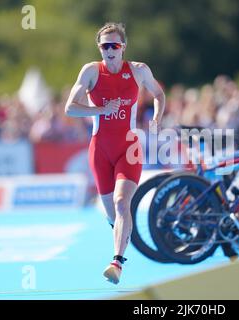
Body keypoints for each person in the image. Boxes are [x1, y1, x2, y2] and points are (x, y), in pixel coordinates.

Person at [65, 22, 165, 284]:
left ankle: (117, 262)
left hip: (128, 148)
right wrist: (101, 110)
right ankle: (122, 231)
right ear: (100, 48)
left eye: (115, 45)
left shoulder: (139, 70)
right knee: (113, 215)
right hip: (99, 150)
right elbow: (70, 109)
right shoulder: (90, 71)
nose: (110, 50)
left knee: (123, 203)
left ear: (123, 48)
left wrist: (156, 118)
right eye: (105, 46)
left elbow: (158, 94)